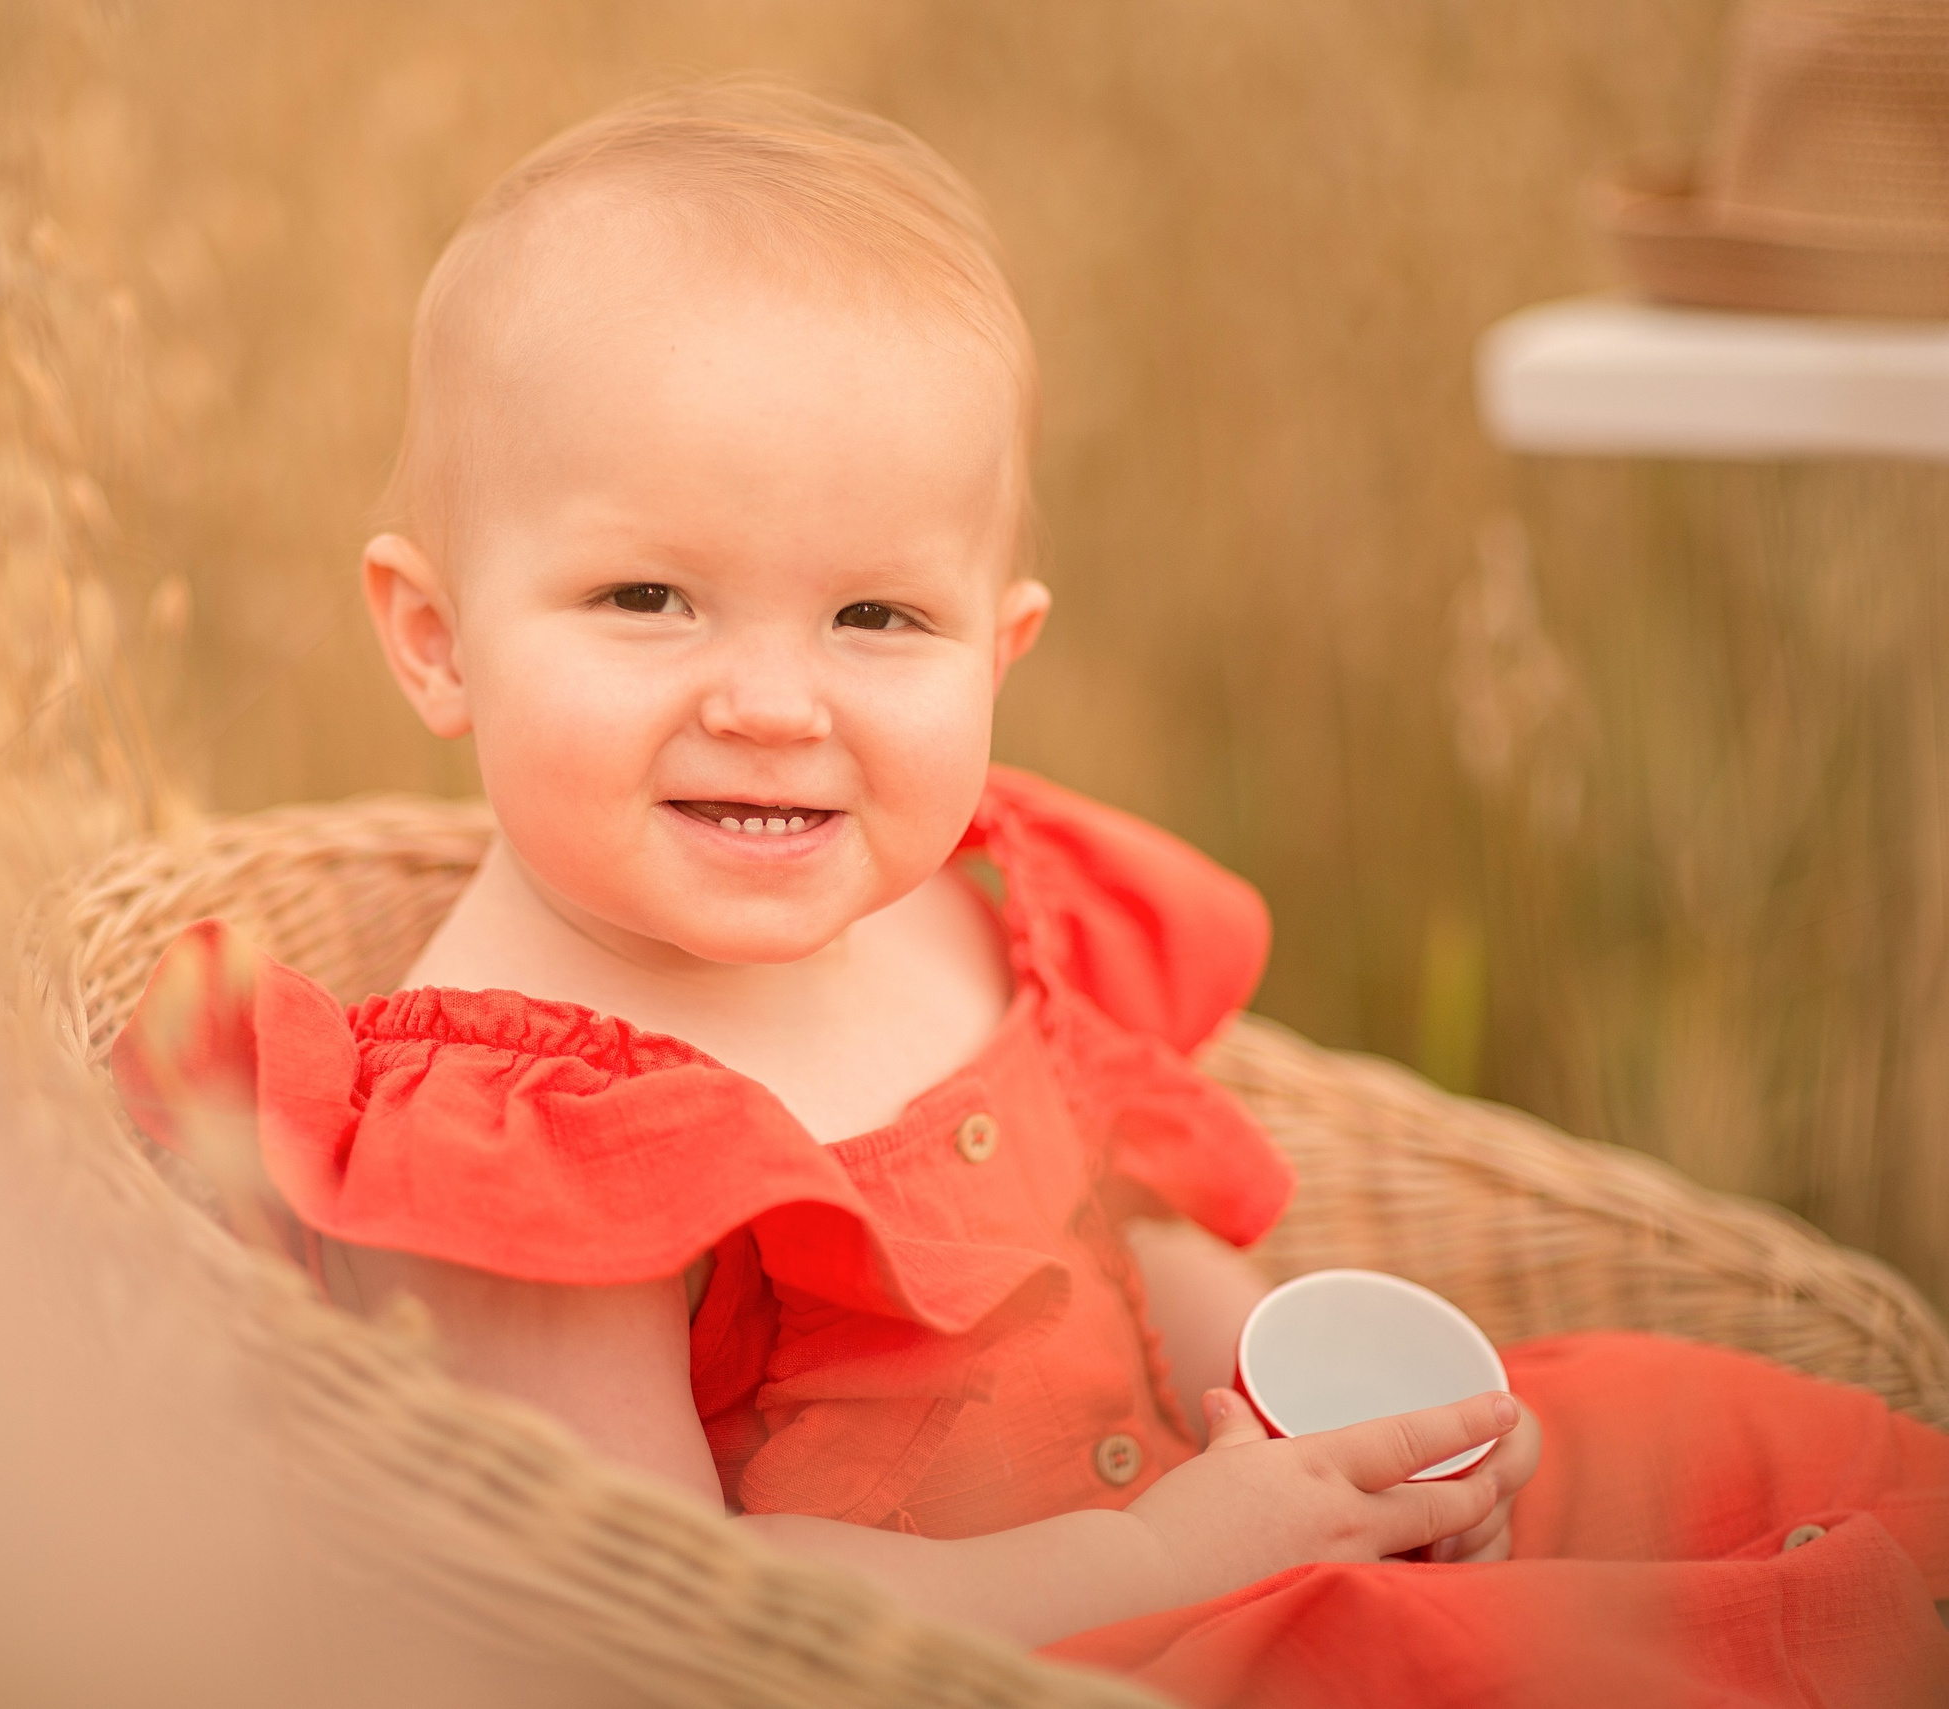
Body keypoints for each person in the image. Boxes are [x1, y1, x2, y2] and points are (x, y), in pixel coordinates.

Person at [114, 80, 1949, 1704]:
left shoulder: (979, 900)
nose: (771, 700)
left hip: (1221, 1509)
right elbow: (658, 1610)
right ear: (436, 642)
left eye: (876, 617)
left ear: (1001, 653)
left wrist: (1318, 1424)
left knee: (1663, 1417)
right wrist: (1189, 1552)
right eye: (647, 598)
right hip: (1033, 1654)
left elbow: (1136, 1234)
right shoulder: (522, 1127)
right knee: (1431, 1664)